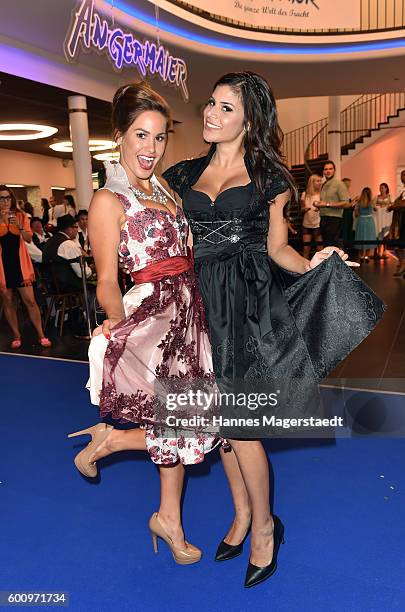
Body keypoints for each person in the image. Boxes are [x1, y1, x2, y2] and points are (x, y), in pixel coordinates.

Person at [163, 71, 386, 588]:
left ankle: (264, 527)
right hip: (196, 305)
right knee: (217, 426)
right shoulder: (180, 175)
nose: (211, 115)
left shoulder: (268, 178)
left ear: (248, 120)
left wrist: (314, 264)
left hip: (244, 307)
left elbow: (277, 248)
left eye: (225, 108)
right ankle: (241, 516)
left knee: (241, 426)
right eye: (211, 105)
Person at [68, 82, 219, 565]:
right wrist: (115, 317)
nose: (151, 149)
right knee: (189, 421)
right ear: (119, 137)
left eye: (158, 137)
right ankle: (112, 441)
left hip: (190, 311)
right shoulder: (108, 202)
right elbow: (107, 280)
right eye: (141, 136)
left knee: (183, 419)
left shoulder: (165, 189)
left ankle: (167, 517)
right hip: (156, 316)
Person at [0, 185, 51, 348]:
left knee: (29, 300)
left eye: (7, 197)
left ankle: (41, 335)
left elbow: (29, 239)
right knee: (8, 301)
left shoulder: (21, 216)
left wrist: (20, 226)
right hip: (3, 265)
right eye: (1, 198)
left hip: (19, 264)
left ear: (12, 199)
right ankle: (16, 335)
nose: (5, 201)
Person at [42, 214, 92, 292]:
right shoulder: (67, 244)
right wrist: (92, 269)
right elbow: (82, 273)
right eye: (76, 227)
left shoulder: (50, 241)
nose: (77, 230)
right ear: (69, 229)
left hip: (50, 285)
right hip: (67, 285)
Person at [314, 161, 350, 246]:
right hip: (323, 218)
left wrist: (327, 204)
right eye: (326, 169)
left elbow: (345, 202)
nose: (328, 171)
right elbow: (325, 201)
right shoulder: (323, 184)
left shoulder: (339, 184)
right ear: (323, 171)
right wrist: (318, 205)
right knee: (326, 245)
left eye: (330, 169)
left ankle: (335, 259)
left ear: (334, 170)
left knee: (331, 245)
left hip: (334, 218)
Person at [300, 174, 323, 259]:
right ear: (312, 182)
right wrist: (305, 209)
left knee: (320, 248)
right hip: (307, 224)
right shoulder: (304, 194)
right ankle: (305, 267)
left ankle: (322, 267)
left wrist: (320, 208)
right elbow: (301, 210)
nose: (320, 183)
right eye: (317, 181)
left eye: (320, 181)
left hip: (318, 224)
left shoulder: (322, 194)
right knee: (306, 248)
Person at [388, 170, 405, 277]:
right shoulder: (403, 191)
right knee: (399, 243)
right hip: (400, 220)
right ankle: (402, 262)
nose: (402, 177)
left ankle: (402, 263)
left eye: (404, 175)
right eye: (402, 175)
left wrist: (395, 206)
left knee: (401, 243)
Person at [354, 187, 377, 262]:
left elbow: (356, 214)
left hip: (361, 220)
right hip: (369, 221)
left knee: (361, 237)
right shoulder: (372, 202)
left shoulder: (359, 202)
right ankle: (367, 256)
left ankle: (361, 256)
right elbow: (375, 209)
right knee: (368, 238)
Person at [372, 183, 392, 259]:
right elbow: (373, 205)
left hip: (386, 217)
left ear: (386, 188)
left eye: (383, 188)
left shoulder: (389, 197)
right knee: (378, 234)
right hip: (379, 217)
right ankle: (377, 251)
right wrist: (375, 208)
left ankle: (384, 251)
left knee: (385, 234)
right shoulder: (377, 197)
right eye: (380, 188)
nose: (381, 189)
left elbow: (392, 204)